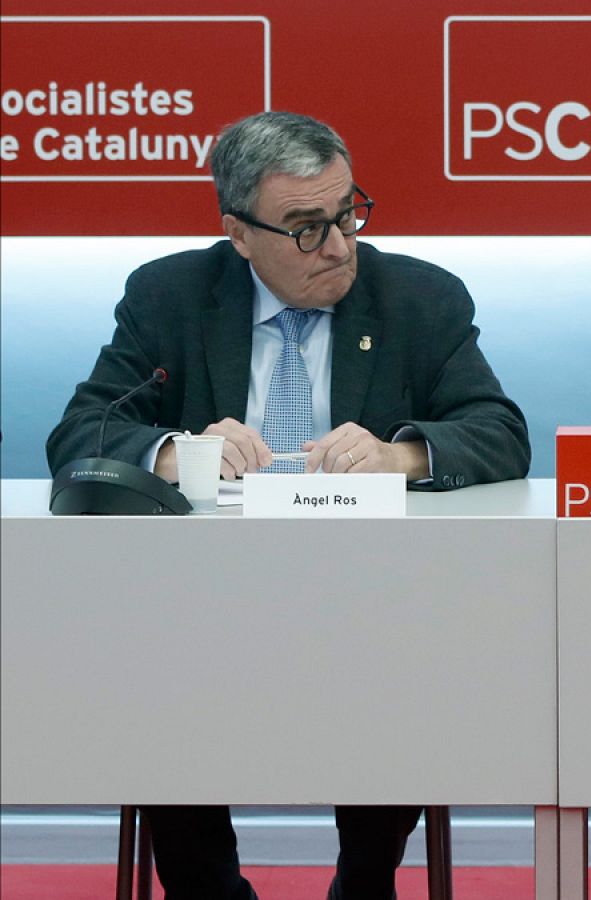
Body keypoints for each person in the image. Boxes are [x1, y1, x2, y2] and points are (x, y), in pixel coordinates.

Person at [46, 111, 531, 900]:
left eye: (347, 213)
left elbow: (500, 433)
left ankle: (365, 881)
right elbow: (83, 432)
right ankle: (207, 890)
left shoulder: (419, 298)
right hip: (199, 608)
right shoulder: (169, 295)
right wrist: (176, 453)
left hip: (371, 603)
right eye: (306, 228)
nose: (339, 245)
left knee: (409, 654)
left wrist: (396, 455)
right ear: (239, 234)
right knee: (154, 664)